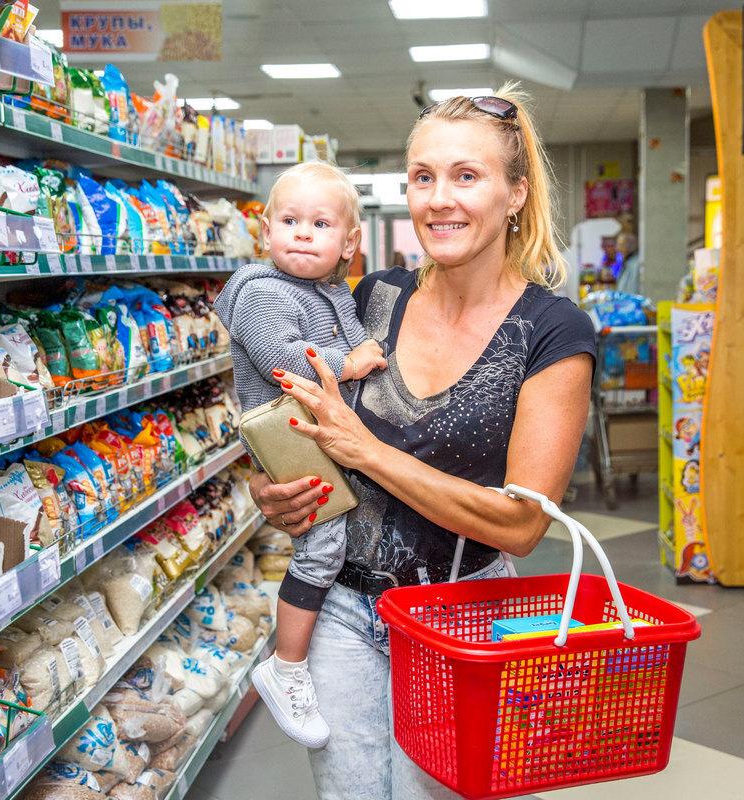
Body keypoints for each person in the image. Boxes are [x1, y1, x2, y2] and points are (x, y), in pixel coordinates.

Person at [249, 82, 595, 798]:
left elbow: (525, 522)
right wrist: (273, 488)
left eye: (467, 177)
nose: (440, 199)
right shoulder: (369, 298)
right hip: (340, 611)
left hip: (460, 618)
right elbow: (295, 420)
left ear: (516, 194)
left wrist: (366, 450)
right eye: (424, 178)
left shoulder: (553, 332)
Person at [213, 160, 387, 750]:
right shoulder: (263, 292)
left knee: (329, 537)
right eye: (290, 220)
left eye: (320, 222)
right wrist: (351, 362)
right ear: (266, 231)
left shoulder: (329, 291)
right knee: (323, 543)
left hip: (314, 428)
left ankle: (291, 661)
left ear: (349, 243)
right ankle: (286, 667)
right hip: (289, 432)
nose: (304, 233)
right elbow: (281, 362)